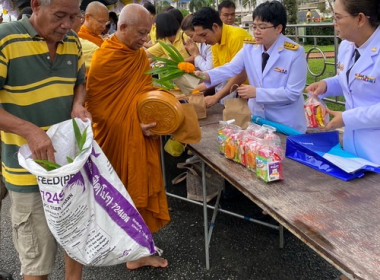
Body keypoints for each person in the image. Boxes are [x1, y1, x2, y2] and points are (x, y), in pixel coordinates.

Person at [0, 0, 91, 279]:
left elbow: (80, 81)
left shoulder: (73, 40)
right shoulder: (6, 39)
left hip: (68, 166)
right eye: (60, 16)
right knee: (37, 262)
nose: (67, 25)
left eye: (74, 17)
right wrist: (30, 131)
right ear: (37, 5)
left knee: (75, 239)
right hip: (27, 171)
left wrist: (78, 104)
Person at [86, 3, 169, 270]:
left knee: (141, 187)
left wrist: (152, 114)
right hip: (117, 138)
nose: (146, 40)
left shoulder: (139, 56)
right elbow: (98, 110)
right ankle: (132, 253)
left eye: (148, 33)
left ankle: (138, 248)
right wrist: (135, 125)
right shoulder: (105, 57)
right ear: (122, 28)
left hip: (140, 134)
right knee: (125, 192)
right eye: (142, 33)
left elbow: (143, 92)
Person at [197, 1, 307, 132]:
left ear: (278, 28)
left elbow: (292, 93)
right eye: (254, 27)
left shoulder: (294, 53)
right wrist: (207, 75)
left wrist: (257, 93)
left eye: (262, 27)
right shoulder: (250, 47)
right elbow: (231, 68)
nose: (256, 32)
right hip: (258, 120)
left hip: (284, 122)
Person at [306, 0, 380, 166]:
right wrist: (326, 85)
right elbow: (349, 81)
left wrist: (346, 118)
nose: (334, 23)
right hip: (351, 148)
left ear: (360, 19)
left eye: (338, 17)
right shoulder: (347, 46)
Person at [192, 7, 252, 106]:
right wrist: (194, 89)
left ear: (215, 27)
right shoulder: (214, 43)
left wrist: (216, 97)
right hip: (235, 91)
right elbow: (219, 74)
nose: (203, 40)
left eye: (204, 35)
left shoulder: (237, 37)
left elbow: (240, 75)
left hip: (248, 93)